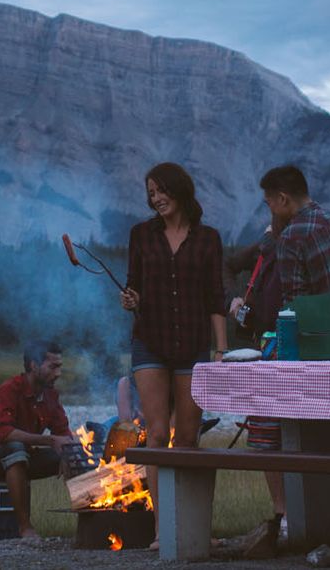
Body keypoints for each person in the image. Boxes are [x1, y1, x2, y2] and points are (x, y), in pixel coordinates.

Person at [229, 164, 330, 543]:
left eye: (268, 202)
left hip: (311, 351)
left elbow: (293, 308)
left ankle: (287, 519)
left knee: (264, 423)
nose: (268, 209)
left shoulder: (292, 236)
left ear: (283, 199)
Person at [119, 162, 228, 461]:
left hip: (193, 344)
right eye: (151, 193)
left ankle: (184, 508)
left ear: (178, 189)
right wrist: (131, 299)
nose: (156, 198)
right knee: (156, 435)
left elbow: (215, 297)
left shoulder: (208, 238)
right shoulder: (141, 234)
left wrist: (220, 351)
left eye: (161, 190)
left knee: (187, 437)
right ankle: (161, 509)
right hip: (150, 342)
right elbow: (134, 284)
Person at [0, 341, 78, 538]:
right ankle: (25, 527)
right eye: (52, 367)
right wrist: (49, 441)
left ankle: (88, 520)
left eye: (60, 367)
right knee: (16, 448)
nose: (58, 373)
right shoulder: (10, 389)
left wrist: (67, 451)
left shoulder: (50, 396)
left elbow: (63, 435)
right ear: (34, 366)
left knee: (73, 454)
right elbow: (5, 434)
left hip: (26, 457)